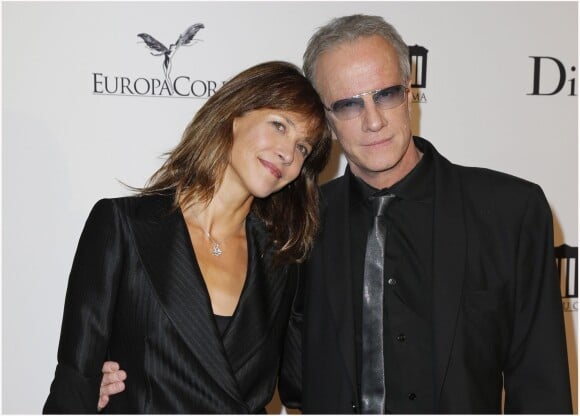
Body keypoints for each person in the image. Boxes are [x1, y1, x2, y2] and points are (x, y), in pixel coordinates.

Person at [99, 14, 573, 414]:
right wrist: (128, 372)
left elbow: (541, 386)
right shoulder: (289, 228)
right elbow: (231, 352)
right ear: (324, 121)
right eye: (347, 104)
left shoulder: (509, 210)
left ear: (409, 90)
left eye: (384, 94)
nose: (372, 121)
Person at [43, 60, 331, 414]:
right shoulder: (123, 226)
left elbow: (305, 389)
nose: (288, 154)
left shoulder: (284, 261)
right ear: (234, 115)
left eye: (303, 147)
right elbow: (75, 382)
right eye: (279, 125)